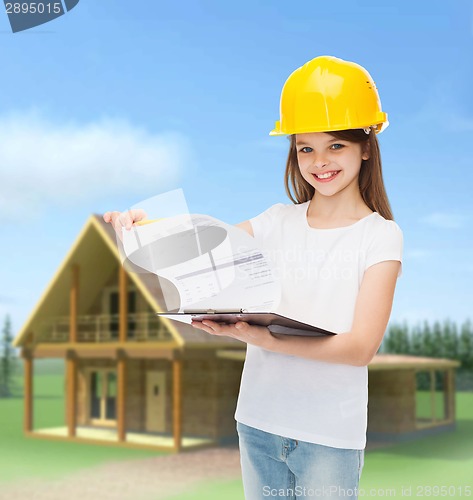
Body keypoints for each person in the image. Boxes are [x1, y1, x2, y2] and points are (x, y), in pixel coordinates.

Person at [104, 55, 403, 499]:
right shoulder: (275, 222)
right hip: (258, 422)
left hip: (329, 436)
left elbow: (360, 348)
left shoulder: (380, 236)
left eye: (335, 146)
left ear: (366, 144)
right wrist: (144, 226)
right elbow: (201, 243)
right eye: (306, 148)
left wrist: (268, 340)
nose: (319, 161)